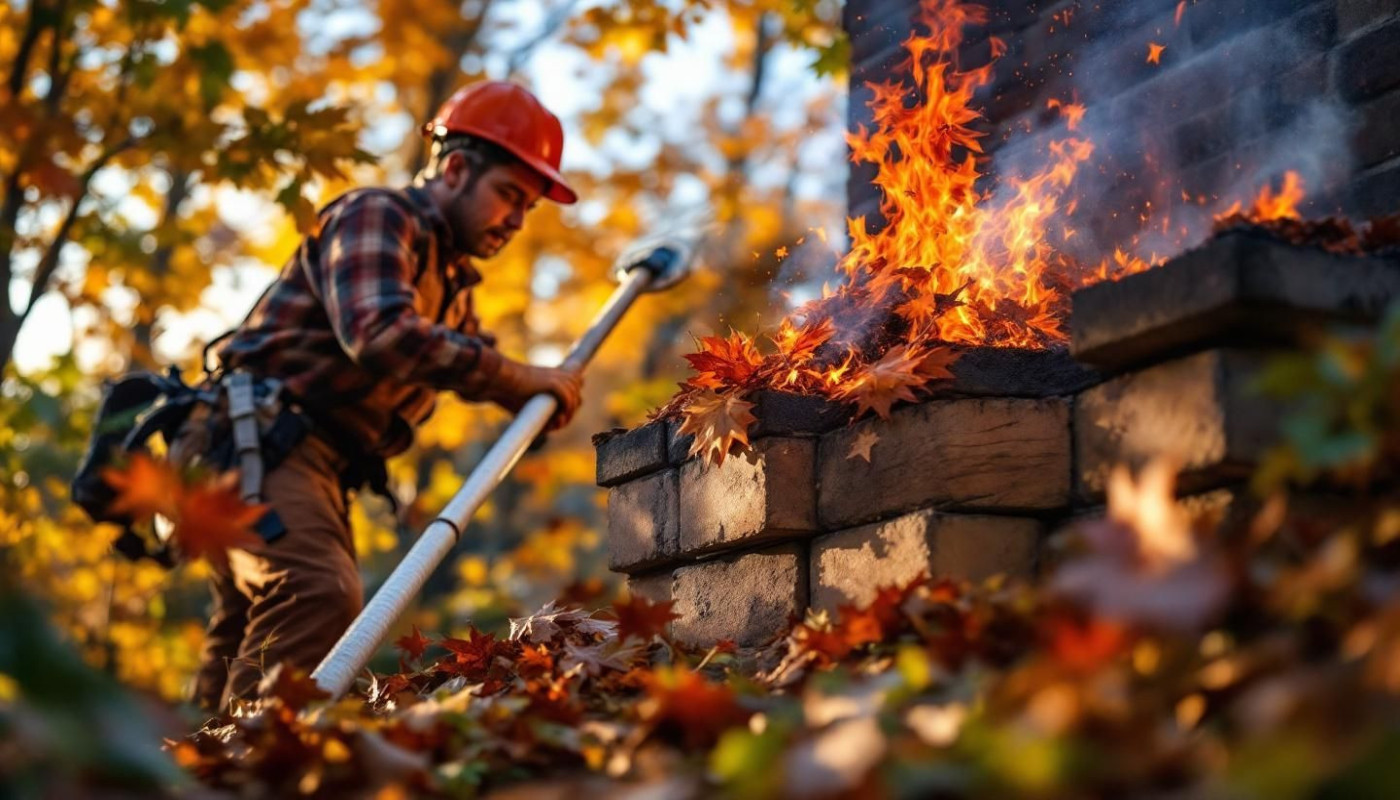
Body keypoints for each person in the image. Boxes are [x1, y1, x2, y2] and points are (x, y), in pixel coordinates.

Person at [182, 81, 584, 711]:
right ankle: (254, 773)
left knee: (246, 641)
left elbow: (490, 369)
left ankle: (190, 770)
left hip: (296, 456)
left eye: (529, 207)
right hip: (258, 438)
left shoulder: (450, 284)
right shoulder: (379, 215)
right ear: (454, 169)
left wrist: (541, 393)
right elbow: (381, 333)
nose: (517, 220)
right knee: (315, 592)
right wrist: (516, 379)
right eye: (510, 195)